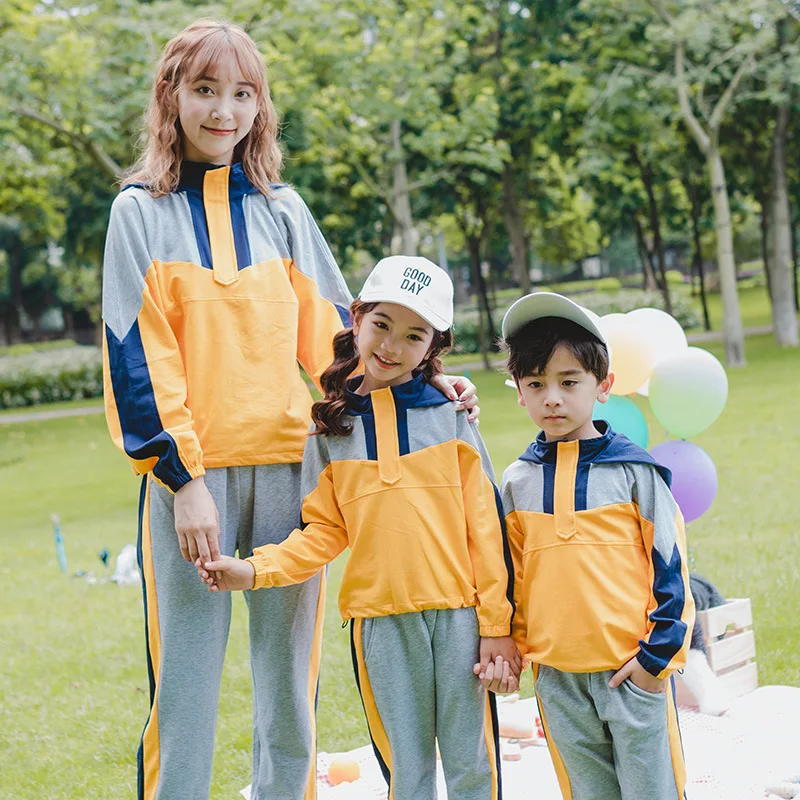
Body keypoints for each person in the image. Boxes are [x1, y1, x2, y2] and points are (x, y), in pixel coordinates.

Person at [101, 19, 477, 800]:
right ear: (172, 96)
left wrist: (424, 383)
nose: (223, 112)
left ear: (258, 108)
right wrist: (184, 480)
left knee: (289, 697)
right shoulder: (137, 213)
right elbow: (136, 361)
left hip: (294, 477)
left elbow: (342, 338)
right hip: (190, 487)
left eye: (242, 94)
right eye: (205, 90)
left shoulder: (283, 210)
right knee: (185, 695)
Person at [197, 255, 520, 800]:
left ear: (433, 348)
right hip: (381, 627)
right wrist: (254, 571)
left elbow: (486, 530)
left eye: (414, 335)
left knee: (472, 765)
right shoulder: (329, 429)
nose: (393, 346)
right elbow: (322, 533)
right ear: (357, 318)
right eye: (382, 325)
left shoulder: (451, 417)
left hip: (463, 619)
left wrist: (497, 624)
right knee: (407, 769)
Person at [498, 292, 695, 800]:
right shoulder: (517, 483)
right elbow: (512, 577)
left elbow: (671, 565)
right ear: (519, 392)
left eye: (568, 382)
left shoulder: (636, 473)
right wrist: (517, 651)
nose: (553, 398)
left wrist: (658, 659)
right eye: (536, 384)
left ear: (602, 386)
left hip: (631, 670)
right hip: (558, 678)